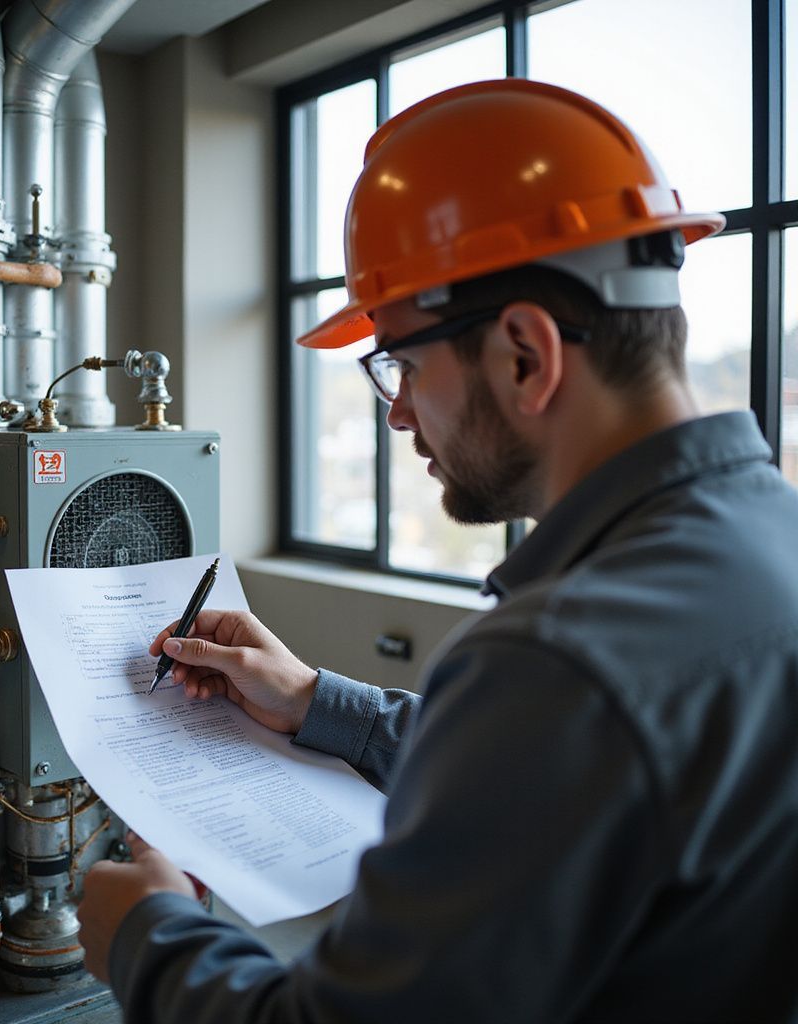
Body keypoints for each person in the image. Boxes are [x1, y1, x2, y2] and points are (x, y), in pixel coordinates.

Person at [76, 78, 798, 1022]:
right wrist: (317, 706)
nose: (399, 414)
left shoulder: (560, 662)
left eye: (403, 365)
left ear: (526, 355)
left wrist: (150, 935)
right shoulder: (767, 538)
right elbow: (558, 787)